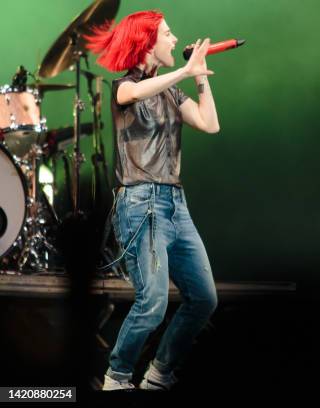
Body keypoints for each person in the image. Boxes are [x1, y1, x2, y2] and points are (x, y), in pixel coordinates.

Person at [85, 10, 220, 391]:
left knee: (204, 299)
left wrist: (198, 77)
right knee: (152, 302)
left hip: (176, 205)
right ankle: (117, 377)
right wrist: (183, 70)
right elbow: (136, 92)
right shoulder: (122, 87)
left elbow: (210, 124)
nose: (175, 40)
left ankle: (160, 373)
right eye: (167, 33)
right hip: (140, 204)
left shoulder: (173, 91)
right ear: (146, 42)